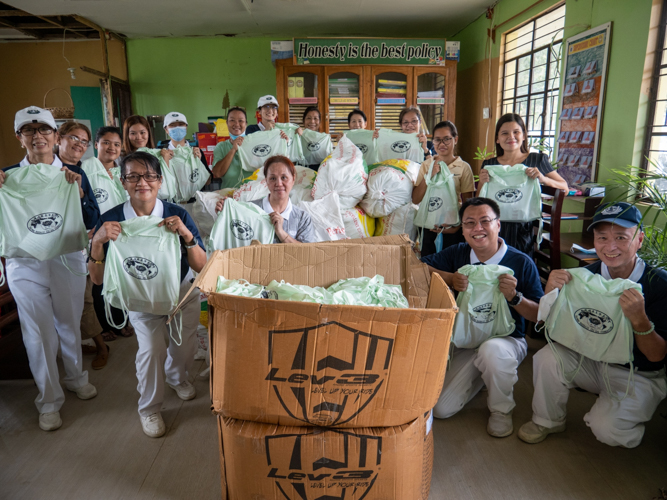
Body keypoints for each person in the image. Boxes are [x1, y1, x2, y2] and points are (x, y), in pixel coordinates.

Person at [518, 203, 667, 448]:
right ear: (594, 240)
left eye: (621, 237)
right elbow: (551, 328)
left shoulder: (659, 285)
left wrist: (640, 319)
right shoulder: (585, 277)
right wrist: (550, 295)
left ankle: (622, 418)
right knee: (547, 358)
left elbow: (656, 355)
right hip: (591, 360)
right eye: (602, 237)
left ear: (639, 239)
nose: (610, 247)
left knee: (608, 429)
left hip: (637, 372)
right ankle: (548, 420)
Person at [88, 151, 207, 438]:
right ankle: (150, 408)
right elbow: (97, 278)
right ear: (123, 182)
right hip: (141, 296)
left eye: (149, 175)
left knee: (184, 345)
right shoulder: (111, 220)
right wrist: (98, 243)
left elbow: (202, 265)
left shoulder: (176, 214)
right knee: (151, 350)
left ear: (159, 180)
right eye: (133, 176)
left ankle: (178, 377)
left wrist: (187, 237)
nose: (142, 182)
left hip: (181, 291)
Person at [1, 106, 100, 431]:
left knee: (68, 322)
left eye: (43, 129)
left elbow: (92, 220)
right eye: (29, 130)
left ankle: (75, 377)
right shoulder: (6, 178)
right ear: (20, 138)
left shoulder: (73, 173)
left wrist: (81, 193)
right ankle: (48, 399)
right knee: (37, 331)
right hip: (24, 261)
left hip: (66, 258)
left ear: (55, 136)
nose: (37, 136)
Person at [422, 197, 543, 437]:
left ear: (498, 225)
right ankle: (483, 375)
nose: (477, 228)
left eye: (485, 221)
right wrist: (449, 278)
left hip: (506, 339)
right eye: (469, 223)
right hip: (466, 340)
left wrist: (515, 297)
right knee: (442, 408)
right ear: (463, 230)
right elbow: (419, 267)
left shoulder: (520, 262)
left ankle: (501, 410)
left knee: (493, 352)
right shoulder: (458, 253)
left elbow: (540, 315)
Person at [477, 113, 569, 255]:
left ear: (524, 136)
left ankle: (520, 270)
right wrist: (482, 182)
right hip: (493, 224)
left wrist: (543, 179)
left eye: (516, 132)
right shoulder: (489, 164)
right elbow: (479, 200)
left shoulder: (537, 160)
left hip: (524, 226)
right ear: (497, 139)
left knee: (514, 255)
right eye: (504, 133)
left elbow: (564, 187)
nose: (511, 137)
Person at [83, 126, 134, 351]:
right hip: (97, 233)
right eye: (106, 143)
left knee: (121, 275)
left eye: (116, 144)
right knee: (99, 279)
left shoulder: (122, 170)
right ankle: (104, 325)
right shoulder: (86, 170)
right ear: (96, 145)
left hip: (121, 231)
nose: (111, 148)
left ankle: (120, 318)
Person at [216, 155, 316, 243]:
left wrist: (281, 233)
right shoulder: (248, 210)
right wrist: (224, 212)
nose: (279, 184)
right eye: (273, 178)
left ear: (293, 179)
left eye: (284, 177)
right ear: (266, 181)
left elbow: (307, 254)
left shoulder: (302, 218)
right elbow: (232, 238)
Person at [412, 121, 474, 257]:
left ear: (455, 139)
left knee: (452, 265)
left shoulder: (463, 167)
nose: (442, 144)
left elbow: (468, 203)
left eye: (447, 139)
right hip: (428, 224)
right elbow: (416, 199)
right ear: (432, 141)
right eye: (437, 140)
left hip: (452, 226)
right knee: (428, 266)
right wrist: (429, 175)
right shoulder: (426, 165)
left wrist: (457, 227)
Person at [157, 111, 212, 213]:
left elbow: (207, 181)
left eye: (181, 125)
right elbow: (156, 184)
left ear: (186, 127)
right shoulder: (160, 153)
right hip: (170, 205)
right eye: (172, 125)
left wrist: (198, 163)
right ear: (166, 129)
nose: (177, 128)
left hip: (196, 205)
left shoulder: (196, 152)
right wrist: (165, 162)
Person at [211, 106, 249, 189]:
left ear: (246, 124)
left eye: (241, 121)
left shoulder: (254, 144)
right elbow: (217, 173)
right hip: (229, 197)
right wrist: (233, 150)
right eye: (232, 120)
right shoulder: (221, 147)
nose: (236, 124)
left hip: (253, 197)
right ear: (227, 123)